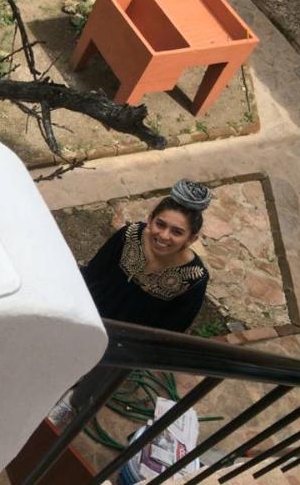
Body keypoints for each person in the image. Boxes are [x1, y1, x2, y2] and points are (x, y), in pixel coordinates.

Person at [51, 179, 212, 423]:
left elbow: (173, 328)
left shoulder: (193, 278)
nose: (164, 236)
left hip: (125, 343)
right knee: (63, 359)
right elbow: (95, 272)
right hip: (92, 317)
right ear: (150, 219)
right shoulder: (130, 235)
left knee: (98, 377)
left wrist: (136, 350)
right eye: (160, 224)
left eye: (177, 232)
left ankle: (71, 402)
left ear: (191, 238)